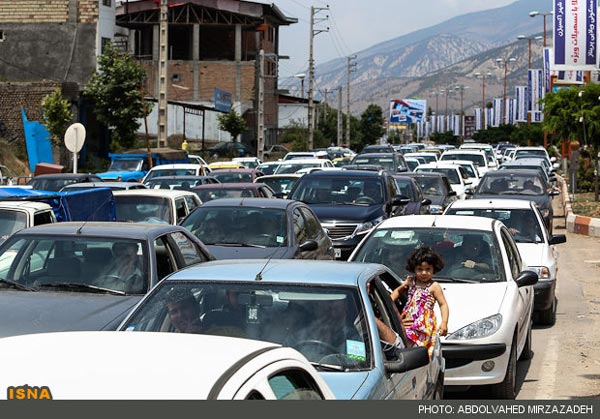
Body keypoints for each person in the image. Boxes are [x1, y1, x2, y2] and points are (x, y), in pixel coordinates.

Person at [390, 246, 449, 357]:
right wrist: (392, 298)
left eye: (428, 269)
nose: (424, 273)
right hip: (408, 319)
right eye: (419, 269)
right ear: (414, 269)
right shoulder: (411, 282)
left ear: (434, 269)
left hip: (424, 323)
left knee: (419, 347)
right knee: (405, 343)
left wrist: (444, 323)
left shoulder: (434, 286)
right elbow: (396, 293)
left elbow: (443, 304)